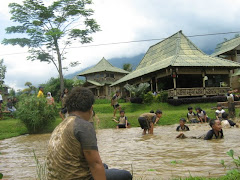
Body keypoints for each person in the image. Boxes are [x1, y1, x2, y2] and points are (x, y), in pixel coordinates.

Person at [47, 87, 132, 180]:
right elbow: (95, 164)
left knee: (104, 166)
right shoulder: (84, 126)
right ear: (90, 108)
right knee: (125, 175)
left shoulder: (60, 126)